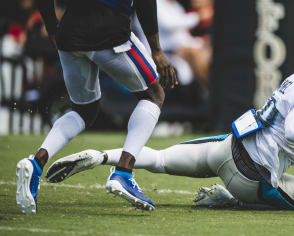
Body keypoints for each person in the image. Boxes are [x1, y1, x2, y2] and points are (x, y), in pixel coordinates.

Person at [45, 39, 294, 210]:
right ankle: (228, 198)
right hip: (251, 177)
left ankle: (100, 156)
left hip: (228, 148)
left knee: (159, 159)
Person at [16, 0, 177, 214]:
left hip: (69, 32)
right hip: (109, 34)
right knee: (154, 95)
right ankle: (123, 173)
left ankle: (35, 164)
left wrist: (52, 27)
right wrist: (156, 50)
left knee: (84, 111)